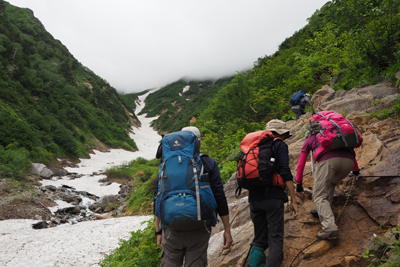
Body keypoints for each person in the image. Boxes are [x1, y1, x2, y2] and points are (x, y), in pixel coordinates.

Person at [154, 126, 233, 267]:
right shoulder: (208, 163)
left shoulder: (167, 164)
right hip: (199, 224)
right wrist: (227, 230)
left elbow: (158, 196)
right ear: (198, 143)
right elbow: (219, 196)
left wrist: (158, 230)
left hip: (171, 227)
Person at [248, 120, 298, 267]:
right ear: (281, 133)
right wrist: (293, 199)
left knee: (259, 239)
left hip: (254, 198)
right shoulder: (279, 144)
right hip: (273, 197)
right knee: (275, 238)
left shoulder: (254, 145)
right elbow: (284, 171)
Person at [295, 131, 360, 240]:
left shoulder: (310, 139)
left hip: (329, 161)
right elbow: (348, 151)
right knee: (330, 183)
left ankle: (330, 228)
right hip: (349, 162)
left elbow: (301, 163)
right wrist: (356, 170)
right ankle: (323, 210)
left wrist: (298, 183)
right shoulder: (338, 135)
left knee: (319, 195)